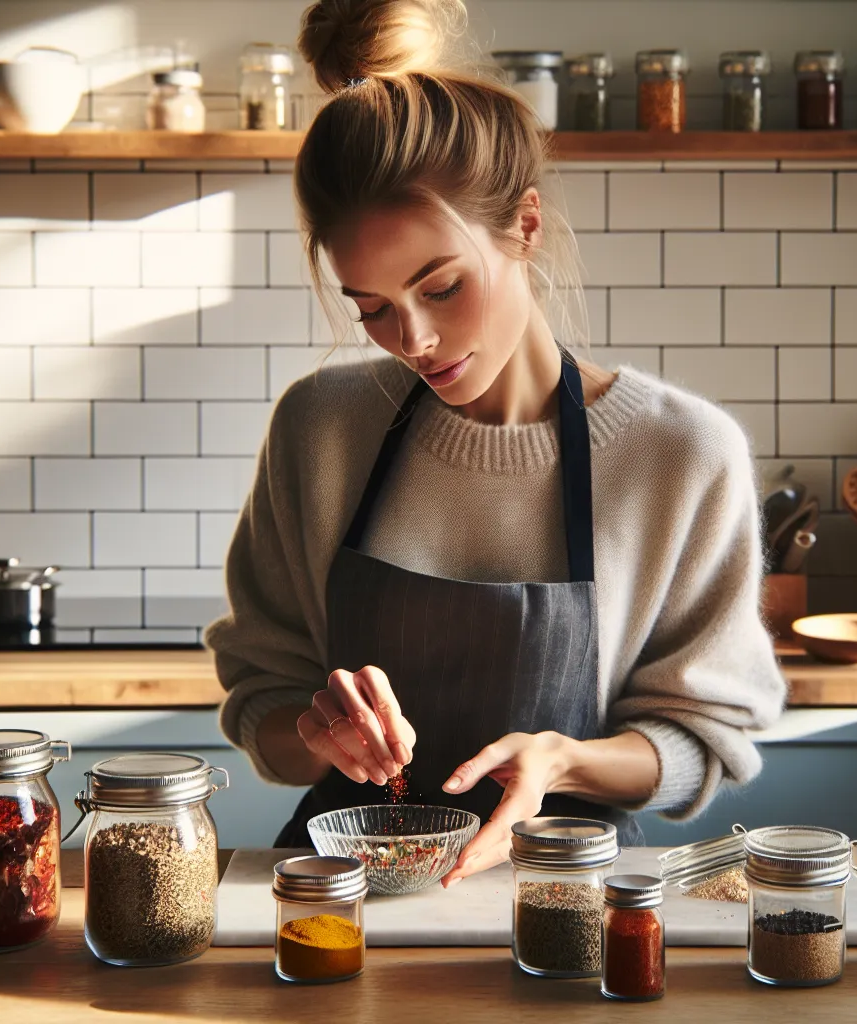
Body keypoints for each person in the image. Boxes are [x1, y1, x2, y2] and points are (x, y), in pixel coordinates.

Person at [205, 0, 786, 886]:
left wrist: (566, 762)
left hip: (569, 903)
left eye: (440, 287)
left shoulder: (680, 454)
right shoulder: (320, 429)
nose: (415, 340)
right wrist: (315, 732)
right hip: (338, 909)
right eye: (371, 309)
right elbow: (266, 709)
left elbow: (702, 739)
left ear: (525, 225)